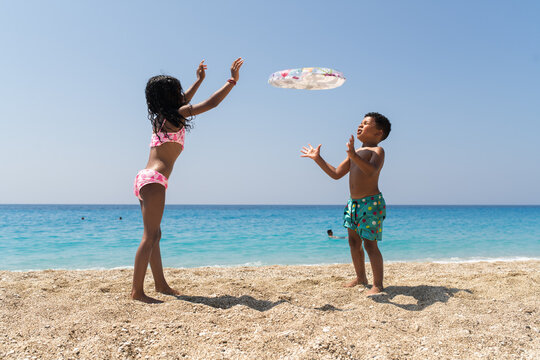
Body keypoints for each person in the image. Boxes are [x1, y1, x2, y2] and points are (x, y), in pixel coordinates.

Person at [132, 58, 244, 303]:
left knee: (154, 235)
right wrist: (232, 81)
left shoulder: (162, 117)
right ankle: (137, 292)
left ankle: (160, 284)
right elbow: (212, 103)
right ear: (170, 97)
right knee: (149, 236)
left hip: (147, 179)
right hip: (154, 180)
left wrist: (199, 80)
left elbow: (184, 100)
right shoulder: (179, 114)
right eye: (178, 91)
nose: (183, 95)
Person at [301, 112, 391, 295]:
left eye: (365, 123)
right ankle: (360, 277)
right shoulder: (355, 153)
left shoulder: (378, 151)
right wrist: (318, 158)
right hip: (354, 203)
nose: (360, 125)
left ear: (378, 133)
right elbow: (335, 174)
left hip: (371, 203)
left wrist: (353, 155)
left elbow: (371, 172)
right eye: (360, 122)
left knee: (370, 244)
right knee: (353, 241)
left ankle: (378, 284)